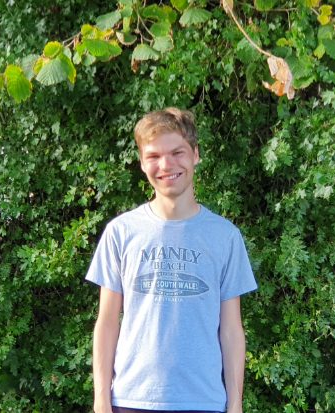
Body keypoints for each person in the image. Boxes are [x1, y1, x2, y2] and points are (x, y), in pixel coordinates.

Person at [85, 107, 258, 413]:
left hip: (203, 402)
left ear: (195, 155)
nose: (166, 165)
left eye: (177, 152)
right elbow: (107, 322)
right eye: (153, 156)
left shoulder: (225, 237)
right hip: (130, 400)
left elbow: (231, 329)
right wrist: (101, 400)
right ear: (141, 162)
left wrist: (236, 404)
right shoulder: (121, 232)